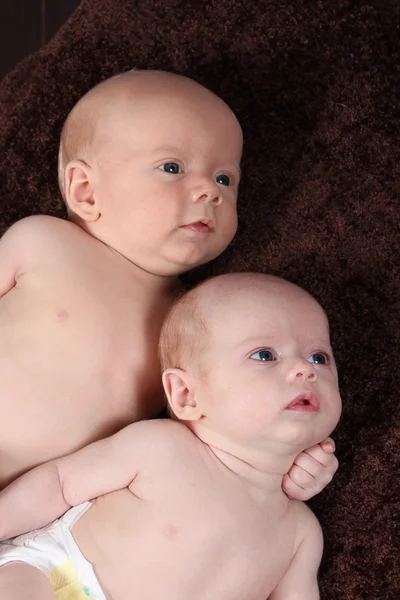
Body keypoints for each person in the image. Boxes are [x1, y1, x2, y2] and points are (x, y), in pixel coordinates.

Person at [0, 69, 337, 498]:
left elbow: (225, 422)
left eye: (224, 179)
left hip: (45, 511)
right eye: (173, 167)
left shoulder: (199, 317)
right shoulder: (41, 242)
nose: (210, 193)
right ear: (85, 191)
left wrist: (291, 464)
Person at [0, 273, 342, 599]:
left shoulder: (301, 534)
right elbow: (60, 483)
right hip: (56, 574)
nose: (305, 369)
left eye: (320, 357)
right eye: (265, 355)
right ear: (186, 395)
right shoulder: (160, 447)